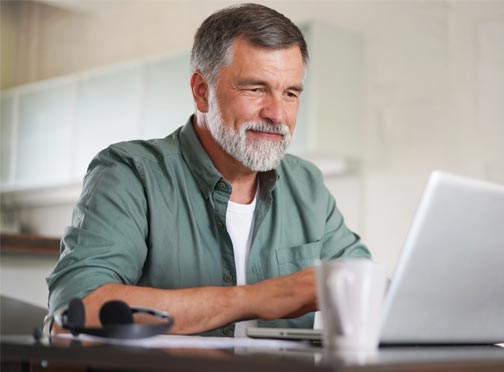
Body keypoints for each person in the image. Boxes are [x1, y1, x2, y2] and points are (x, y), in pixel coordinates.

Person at [46, 3, 370, 337]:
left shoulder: (307, 184)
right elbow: (78, 308)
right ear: (202, 92)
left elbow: (370, 286)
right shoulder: (130, 173)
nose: (277, 113)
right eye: (255, 89)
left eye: (290, 93)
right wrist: (257, 298)